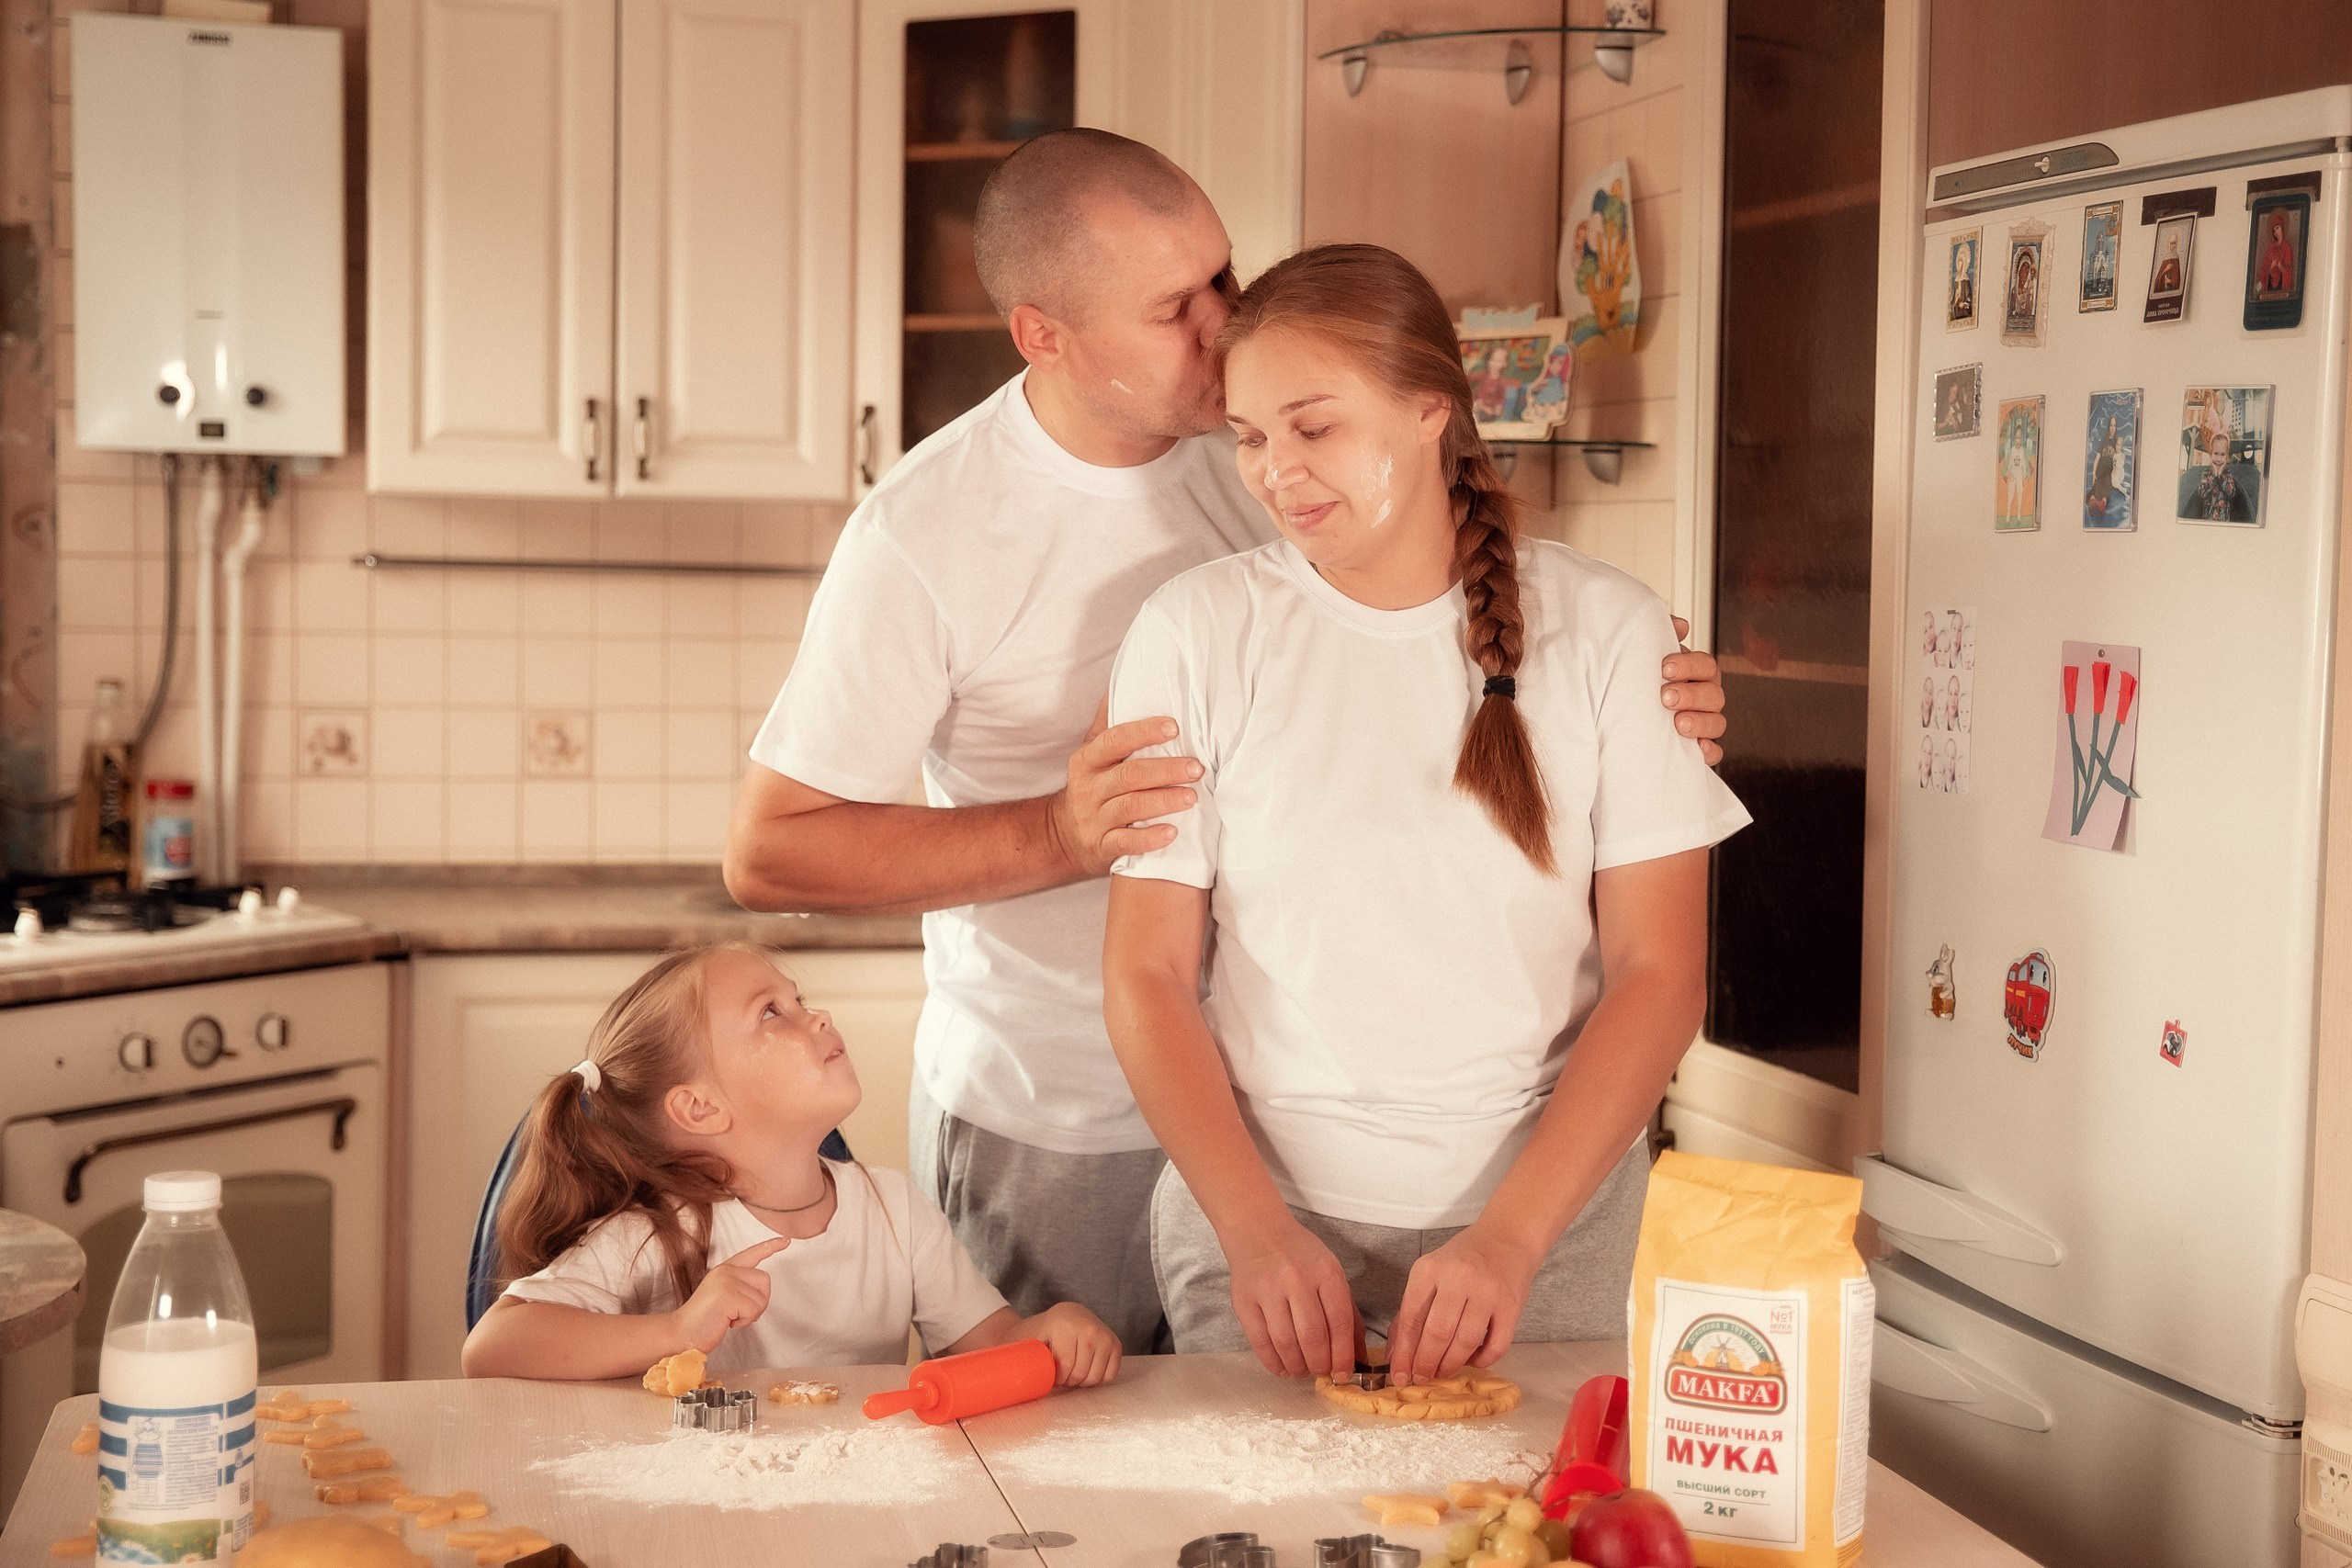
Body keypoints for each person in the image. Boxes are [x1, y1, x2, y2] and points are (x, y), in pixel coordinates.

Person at [722, 130, 1731, 1358]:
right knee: (1077, 1448)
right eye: (1173, 308)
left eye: (1222, 276)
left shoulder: (1250, 433)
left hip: (1310, 1111)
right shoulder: (926, 534)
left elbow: (1446, 610)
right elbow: (770, 852)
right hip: (1063, 1106)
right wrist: (1061, 831)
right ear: (1046, 337)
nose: (1222, 323)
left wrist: (1642, 693)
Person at [1100, 244, 1749, 1386]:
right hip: (1264, 1233)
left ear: (1427, 409)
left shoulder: (1612, 632)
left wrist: (1510, 1240)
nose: (1276, 472)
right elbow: (1145, 972)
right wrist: (1254, 1234)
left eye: (1314, 426)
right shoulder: (1193, 632)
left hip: (1544, 1233)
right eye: (1248, 437)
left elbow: (1659, 976)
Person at [461, 943, 1120, 1386]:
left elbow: (991, 1341)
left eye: (798, 999)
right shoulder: (658, 1232)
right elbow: (493, 1345)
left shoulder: (894, 1207)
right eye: (772, 1012)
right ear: (700, 1107)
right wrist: (676, 1329)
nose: (818, 1015)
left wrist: (1048, 1333)